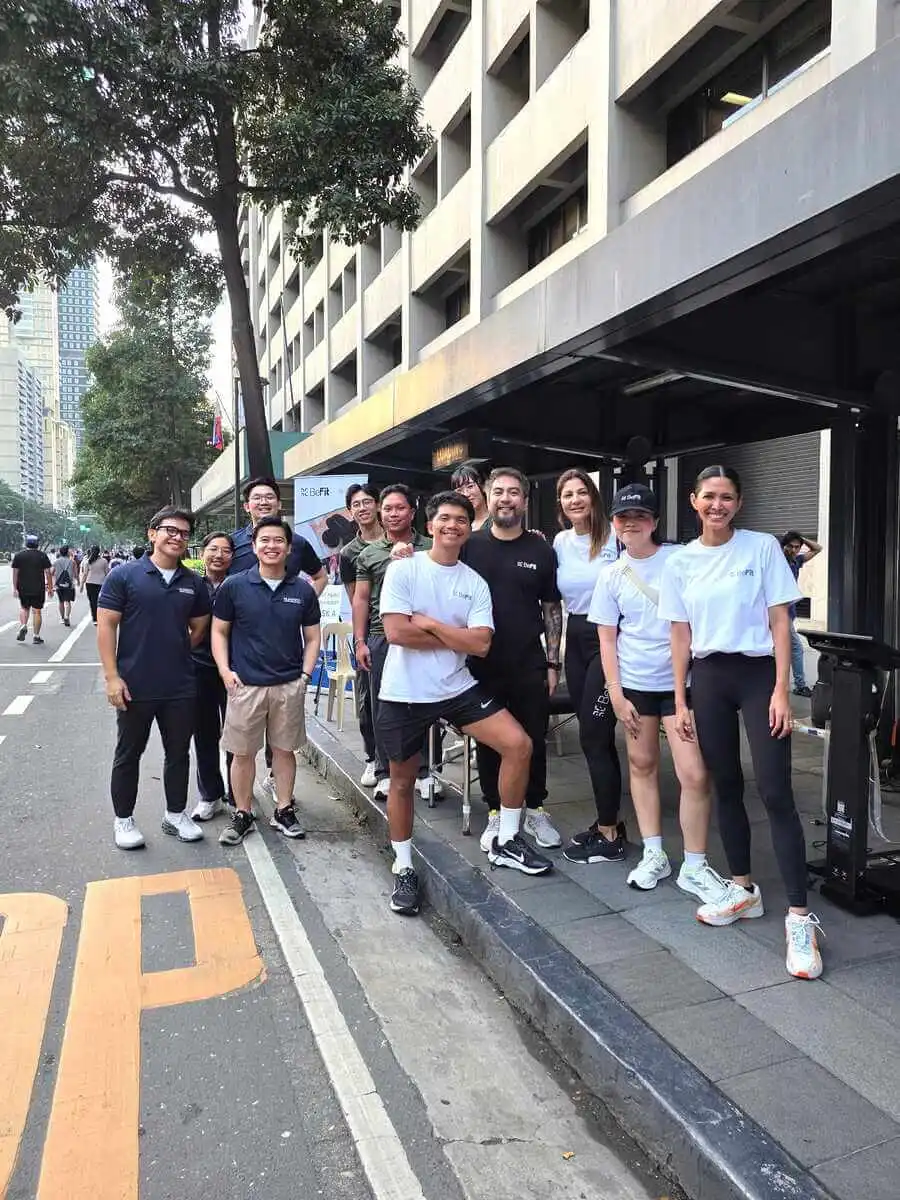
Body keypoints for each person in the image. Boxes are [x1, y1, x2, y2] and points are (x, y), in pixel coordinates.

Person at [658, 466, 823, 980]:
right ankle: (744, 888)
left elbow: (780, 621)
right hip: (708, 677)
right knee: (725, 784)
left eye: (726, 497)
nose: (717, 505)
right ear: (693, 500)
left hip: (757, 676)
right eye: (709, 496)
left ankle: (800, 917)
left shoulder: (761, 548)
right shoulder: (681, 561)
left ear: (739, 502)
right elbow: (680, 635)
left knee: (774, 790)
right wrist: (679, 699)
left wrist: (781, 690)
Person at [378, 490, 551, 915]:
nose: (453, 525)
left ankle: (507, 839)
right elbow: (397, 633)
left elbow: (481, 645)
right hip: (404, 693)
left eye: (461, 519)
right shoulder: (404, 570)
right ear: (430, 525)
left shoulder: (473, 582)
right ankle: (403, 867)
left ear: (468, 526)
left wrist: (432, 624)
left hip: (456, 688)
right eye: (445, 518)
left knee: (519, 744)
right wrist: (452, 635)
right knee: (402, 781)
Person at [589, 484, 727, 902]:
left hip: (681, 685)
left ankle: (696, 863)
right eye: (622, 517)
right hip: (635, 685)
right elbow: (607, 638)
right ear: (612, 523)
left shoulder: (680, 560)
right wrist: (615, 692)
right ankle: (654, 853)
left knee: (695, 773)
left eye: (640, 516)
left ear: (655, 522)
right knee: (642, 764)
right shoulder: (611, 574)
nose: (631, 524)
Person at [461, 468, 564, 852]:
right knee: (491, 742)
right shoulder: (470, 546)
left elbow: (552, 608)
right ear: (488, 497)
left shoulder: (541, 550)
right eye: (499, 492)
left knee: (533, 738)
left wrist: (553, 664)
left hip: (529, 663)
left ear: (525, 500)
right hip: (481, 664)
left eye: (514, 493)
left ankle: (535, 808)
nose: (506, 498)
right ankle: (495, 813)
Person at [97, 506, 211, 850]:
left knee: (178, 753)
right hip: (135, 685)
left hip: (180, 685)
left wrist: (174, 648)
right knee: (128, 753)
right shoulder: (125, 576)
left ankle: (175, 814)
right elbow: (106, 626)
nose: (177, 537)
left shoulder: (193, 582)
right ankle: (124, 820)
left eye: (184, 533)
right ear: (153, 534)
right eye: (170, 530)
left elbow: (200, 626)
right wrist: (112, 677)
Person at [213, 516, 322, 845]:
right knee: (242, 754)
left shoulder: (301, 589)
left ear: (289, 548)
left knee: (284, 751)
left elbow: (313, 637)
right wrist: (225, 670)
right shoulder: (235, 585)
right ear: (255, 546)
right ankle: (243, 812)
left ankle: (284, 810)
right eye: (265, 540)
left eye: (278, 541)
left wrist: (304, 674)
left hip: (288, 684)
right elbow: (219, 631)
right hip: (246, 686)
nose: (271, 546)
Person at [553, 469, 624, 865]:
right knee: (595, 735)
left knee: (594, 737)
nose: (575, 499)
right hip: (576, 636)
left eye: (582, 492)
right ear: (560, 504)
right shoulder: (561, 542)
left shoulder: (615, 537)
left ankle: (610, 834)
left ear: (594, 498)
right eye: (567, 495)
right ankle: (608, 821)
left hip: (609, 637)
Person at [353, 484, 439, 801]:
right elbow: (361, 599)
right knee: (383, 707)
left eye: (399, 508)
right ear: (380, 513)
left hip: (423, 637)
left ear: (412, 512)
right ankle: (384, 771)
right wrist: (360, 641)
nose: (393, 514)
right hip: (381, 637)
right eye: (387, 509)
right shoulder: (368, 554)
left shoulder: (431, 546)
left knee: (427, 704)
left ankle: (427, 771)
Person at [340, 482, 383, 786]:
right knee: (367, 700)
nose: (363, 508)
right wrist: (360, 639)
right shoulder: (348, 553)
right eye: (357, 504)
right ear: (350, 512)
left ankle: (418, 767)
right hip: (369, 634)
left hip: (405, 630)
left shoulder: (401, 542)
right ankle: (373, 758)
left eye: (368, 501)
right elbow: (356, 598)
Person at [190, 531, 235, 821]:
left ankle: (238, 793)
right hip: (199, 667)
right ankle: (210, 796)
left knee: (237, 735)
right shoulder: (191, 585)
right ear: (202, 552)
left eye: (226, 550)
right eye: (213, 549)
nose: (219, 555)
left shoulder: (242, 584)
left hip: (236, 669)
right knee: (204, 734)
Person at [229, 475, 327, 593]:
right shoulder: (232, 542)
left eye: (269, 497)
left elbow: (321, 577)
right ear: (246, 506)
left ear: (279, 504)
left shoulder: (297, 542)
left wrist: (306, 605)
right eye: (257, 498)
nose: (264, 502)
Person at [780, 530, 822, 698]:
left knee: (778, 647)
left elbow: (818, 548)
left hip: (789, 611)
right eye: (791, 546)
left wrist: (801, 538)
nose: (795, 550)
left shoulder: (796, 561)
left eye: (798, 547)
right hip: (779, 611)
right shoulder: (777, 560)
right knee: (796, 647)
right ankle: (799, 685)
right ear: (784, 546)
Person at [12, 535, 53, 645]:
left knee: (24, 608)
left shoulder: (19, 556)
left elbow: (15, 573)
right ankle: (36, 636)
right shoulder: (42, 556)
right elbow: (48, 573)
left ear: (26, 544)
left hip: (23, 587)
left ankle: (23, 625)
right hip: (38, 587)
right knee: (37, 611)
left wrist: (15, 588)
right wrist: (50, 587)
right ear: (37, 544)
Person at [450, 462, 491, 532]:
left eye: (470, 486)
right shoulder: (456, 527)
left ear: (482, 486)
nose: (466, 494)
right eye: (459, 491)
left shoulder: (497, 520)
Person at [80, 546, 110, 624]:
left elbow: (85, 574)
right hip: (101, 583)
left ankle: (95, 618)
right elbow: (107, 573)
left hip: (89, 583)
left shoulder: (88, 561)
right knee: (100, 601)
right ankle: (100, 616)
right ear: (99, 551)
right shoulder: (104, 561)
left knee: (92, 601)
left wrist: (81, 585)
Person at [52, 544, 77, 627]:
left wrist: (50, 583)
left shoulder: (56, 562)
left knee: (61, 601)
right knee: (68, 601)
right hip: (69, 584)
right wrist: (79, 582)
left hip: (59, 584)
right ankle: (67, 616)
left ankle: (62, 618)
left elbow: (51, 573)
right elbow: (76, 574)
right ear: (67, 552)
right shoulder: (72, 562)